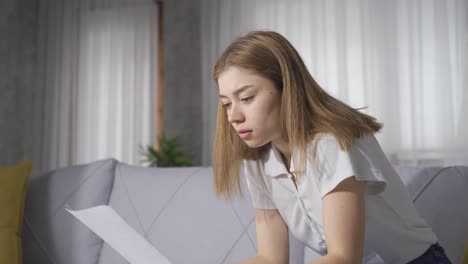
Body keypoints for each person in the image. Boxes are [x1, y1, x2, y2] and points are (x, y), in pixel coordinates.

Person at [212, 31, 452, 264]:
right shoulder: (257, 158)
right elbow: (270, 258)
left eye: (246, 98)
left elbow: (344, 258)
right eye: (226, 104)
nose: (233, 116)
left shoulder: (332, 143)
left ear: (287, 89)